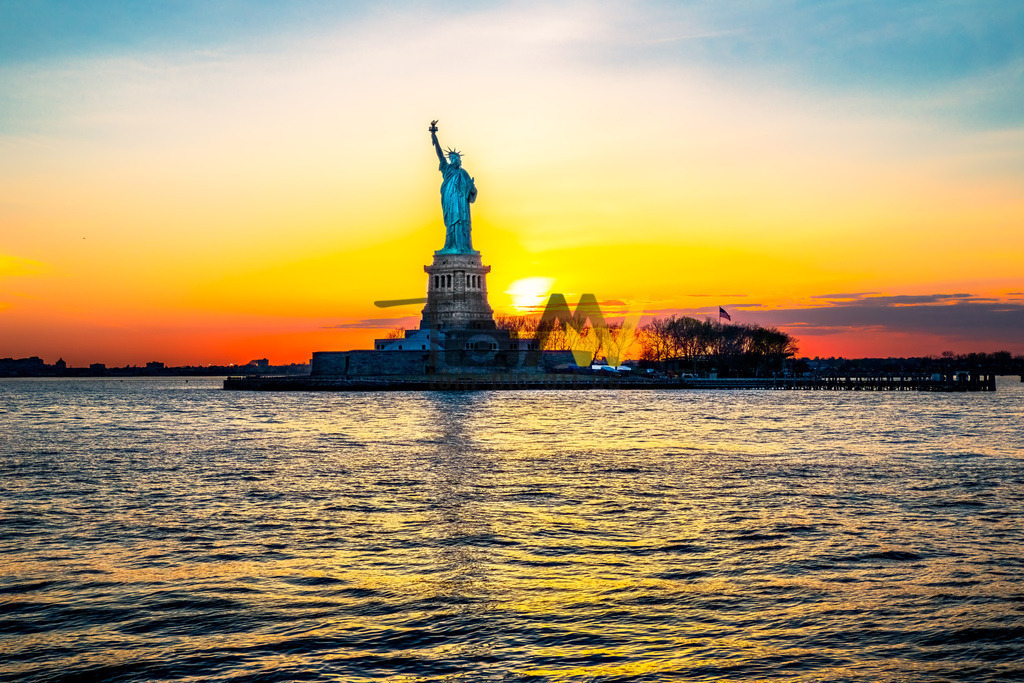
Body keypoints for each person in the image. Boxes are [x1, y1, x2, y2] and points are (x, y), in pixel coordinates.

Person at [430, 120, 477, 253]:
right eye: (451, 158)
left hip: (461, 204)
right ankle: (450, 246)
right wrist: (434, 136)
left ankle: (464, 247)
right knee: (451, 223)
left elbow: (472, 191)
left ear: (459, 160)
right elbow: (439, 154)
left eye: (455, 158)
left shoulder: (463, 173)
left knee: (462, 223)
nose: (454, 160)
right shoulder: (447, 170)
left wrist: (472, 188)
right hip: (450, 201)